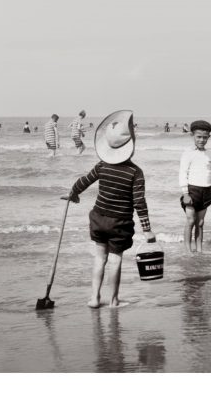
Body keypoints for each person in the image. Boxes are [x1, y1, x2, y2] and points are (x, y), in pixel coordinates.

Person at [68, 110, 156, 308]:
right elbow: (139, 202)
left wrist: (73, 193)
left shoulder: (102, 165)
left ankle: (94, 298)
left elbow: (84, 180)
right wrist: (147, 228)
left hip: (98, 218)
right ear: (131, 147)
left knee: (100, 258)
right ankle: (113, 300)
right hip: (120, 223)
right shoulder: (136, 172)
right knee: (115, 260)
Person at [179, 120, 211, 253]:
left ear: (208, 137)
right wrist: (185, 193)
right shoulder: (188, 153)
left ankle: (199, 250)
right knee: (191, 220)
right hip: (191, 190)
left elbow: (210, 173)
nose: (202, 140)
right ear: (192, 135)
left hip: (206, 191)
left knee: (200, 222)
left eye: (205, 137)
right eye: (199, 137)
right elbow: (183, 173)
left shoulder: (209, 154)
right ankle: (188, 250)